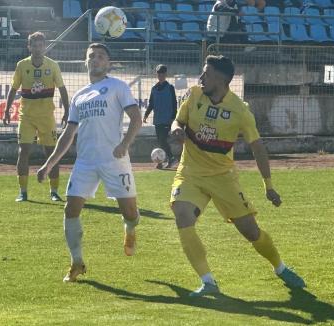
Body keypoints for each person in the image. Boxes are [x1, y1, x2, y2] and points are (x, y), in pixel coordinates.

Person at [170, 55, 305, 297]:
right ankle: (208, 282)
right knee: (182, 215)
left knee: (251, 232)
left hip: (223, 177)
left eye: (206, 74)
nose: (201, 78)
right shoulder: (193, 95)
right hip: (190, 172)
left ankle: (280, 267)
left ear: (221, 79)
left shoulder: (240, 110)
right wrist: (177, 129)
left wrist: (269, 186)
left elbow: (257, 147)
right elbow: (177, 121)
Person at [37, 43, 142, 282]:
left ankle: (131, 227)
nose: (95, 60)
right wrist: (49, 164)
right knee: (70, 209)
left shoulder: (117, 86)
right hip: (85, 162)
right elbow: (68, 133)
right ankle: (76, 263)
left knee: (130, 212)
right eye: (91, 56)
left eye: (100, 56)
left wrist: (124, 144)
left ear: (108, 63)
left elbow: (136, 118)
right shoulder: (79, 95)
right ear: (86, 62)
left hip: (114, 160)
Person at [3, 31, 69, 202]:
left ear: (45, 47)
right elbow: (13, 89)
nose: (38, 49)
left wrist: (67, 111)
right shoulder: (22, 65)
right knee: (23, 151)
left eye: (41, 45)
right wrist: (7, 110)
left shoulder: (53, 65)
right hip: (27, 116)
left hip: (47, 116)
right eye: (34, 45)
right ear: (29, 47)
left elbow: (62, 89)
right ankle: (23, 192)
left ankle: (54, 191)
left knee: (51, 153)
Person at [143, 64, 178, 169]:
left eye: (162, 73)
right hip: (158, 119)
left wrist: (173, 118)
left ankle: (171, 158)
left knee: (163, 139)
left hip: (167, 119)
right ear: (157, 74)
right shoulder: (154, 89)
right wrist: (145, 115)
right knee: (160, 141)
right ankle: (161, 161)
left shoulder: (170, 88)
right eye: (159, 73)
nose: (160, 75)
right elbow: (151, 104)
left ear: (165, 74)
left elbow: (174, 103)